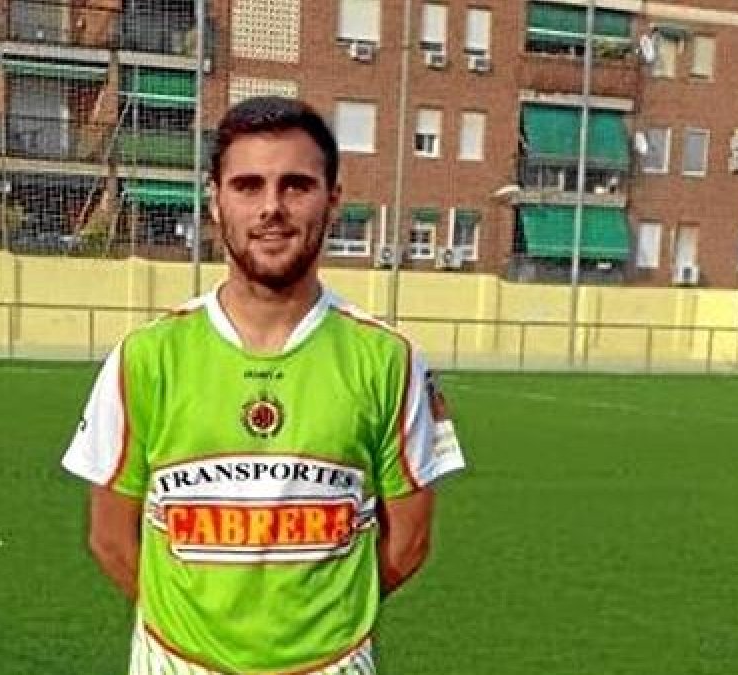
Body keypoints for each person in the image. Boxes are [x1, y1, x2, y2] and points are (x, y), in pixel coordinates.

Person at [61, 96, 466, 674]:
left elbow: (408, 544)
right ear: (215, 201)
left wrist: (322, 621)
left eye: (296, 186)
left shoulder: (389, 360)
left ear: (333, 201)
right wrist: (196, 630)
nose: (271, 208)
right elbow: (110, 539)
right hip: (177, 662)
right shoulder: (144, 357)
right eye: (248, 186)